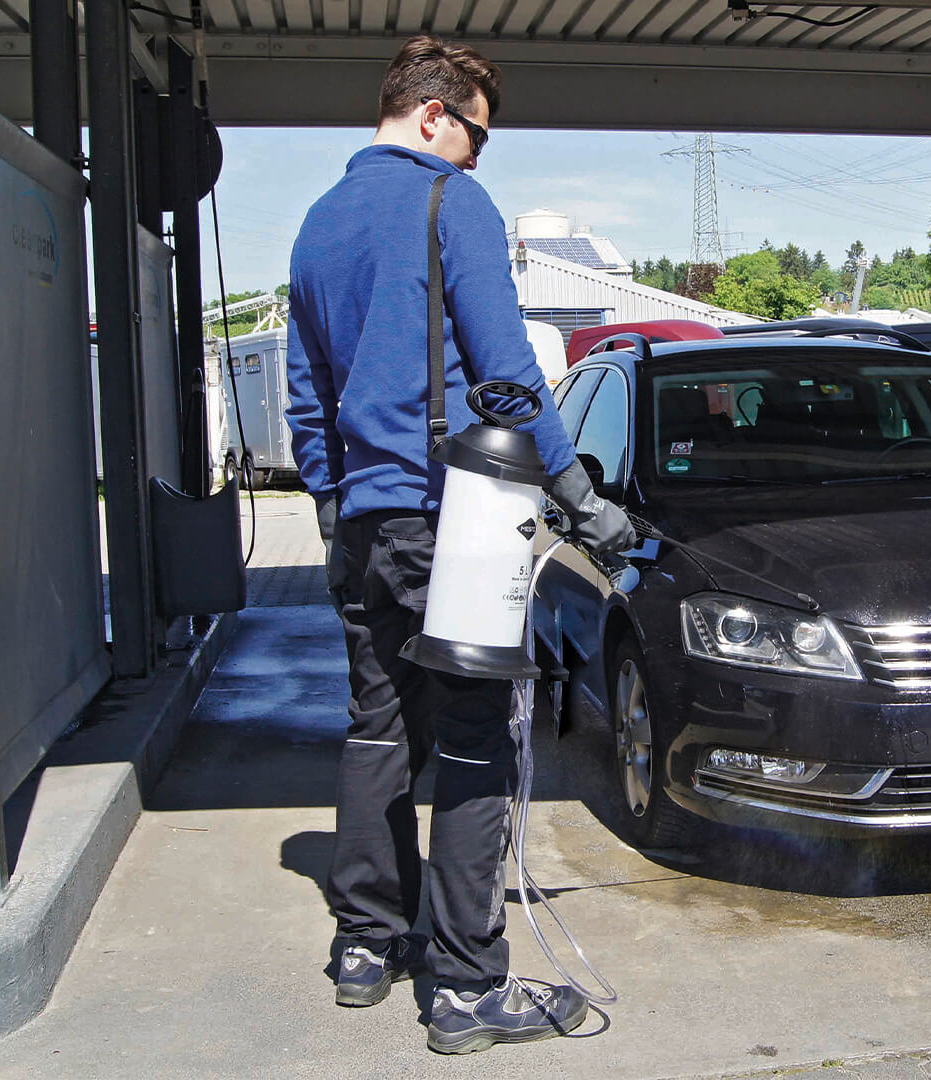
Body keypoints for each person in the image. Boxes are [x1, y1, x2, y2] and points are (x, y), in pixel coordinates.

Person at [285, 35, 634, 1055]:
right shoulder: (451, 202)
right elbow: (509, 373)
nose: (480, 156)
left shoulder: (316, 224)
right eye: (476, 133)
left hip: (363, 521)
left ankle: (365, 942)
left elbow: (309, 399)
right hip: (453, 523)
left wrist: (332, 504)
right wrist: (576, 493)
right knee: (481, 738)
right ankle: (467, 986)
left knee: (377, 728)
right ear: (433, 114)